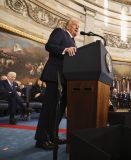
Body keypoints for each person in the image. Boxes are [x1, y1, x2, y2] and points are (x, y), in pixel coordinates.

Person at [35, 19, 80, 150]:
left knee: (59, 110)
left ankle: (52, 136)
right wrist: (65, 49)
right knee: (50, 107)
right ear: (67, 25)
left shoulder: (74, 41)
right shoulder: (60, 32)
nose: (77, 27)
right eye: (74, 25)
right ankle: (41, 139)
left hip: (66, 78)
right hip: (55, 75)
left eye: (78, 26)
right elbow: (49, 46)